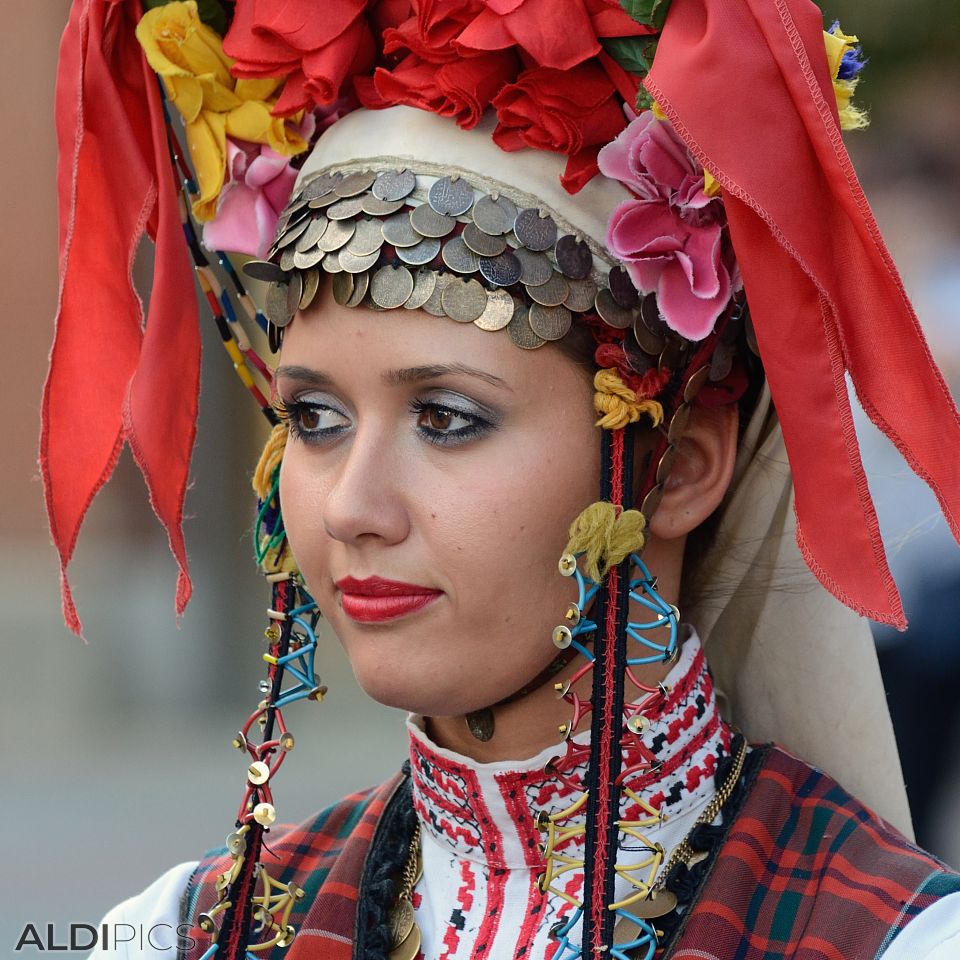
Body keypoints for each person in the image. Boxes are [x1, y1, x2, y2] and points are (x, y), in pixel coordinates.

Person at [40, 0, 960, 958]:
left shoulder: (900, 940)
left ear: (679, 470)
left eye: (447, 420)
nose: (352, 507)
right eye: (313, 420)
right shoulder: (171, 934)